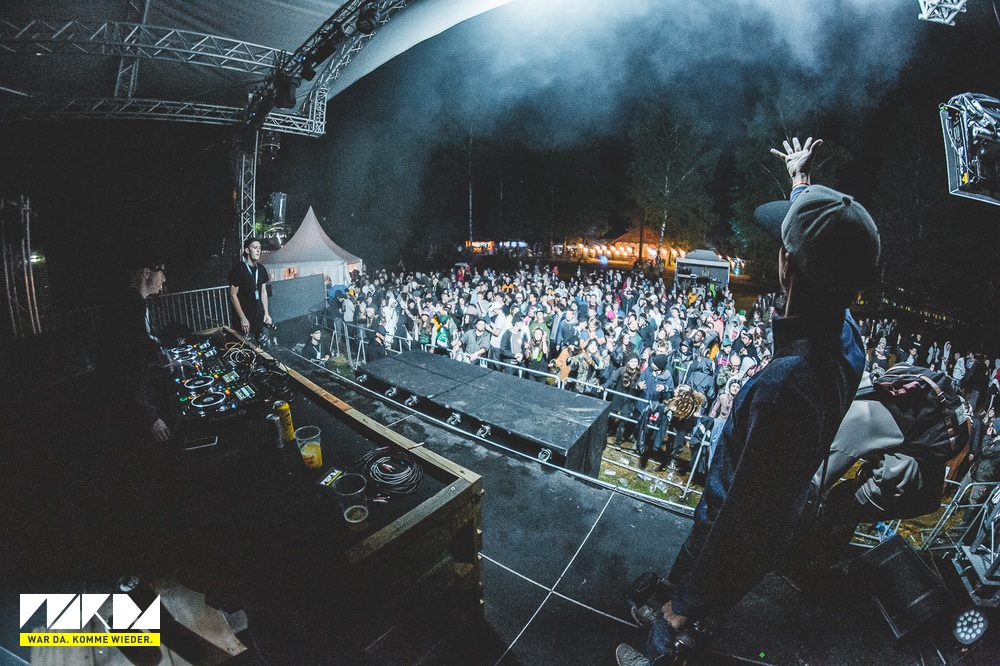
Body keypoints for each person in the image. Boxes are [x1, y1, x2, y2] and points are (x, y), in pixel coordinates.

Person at [617, 136, 879, 666]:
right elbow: (832, 259)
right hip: (769, 527)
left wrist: (683, 605)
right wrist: (802, 186)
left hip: (725, 531)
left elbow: (745, 520)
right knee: (709, 601)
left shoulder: (784, 386)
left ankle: (665, 645)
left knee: (675, 622)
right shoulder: (849, 339)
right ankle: (696, 618)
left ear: (786, 265)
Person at [96, 253, 172, 443]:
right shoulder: (130, 305)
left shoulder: (130, 301)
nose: (164, 279)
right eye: (161, 272)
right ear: (147, 273)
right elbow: (122, 365)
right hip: (129, 407)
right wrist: (150, 416)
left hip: (130, 401)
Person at [228, 237, 272, 343]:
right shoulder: (239, 269)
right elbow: (233, 295)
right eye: (255, 248)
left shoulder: (261, 269)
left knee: (263, 346)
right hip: (245, 319)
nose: (258, 251)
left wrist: (266, 313)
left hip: (259, 317)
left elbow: (263, 292)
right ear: (247, 250)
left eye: (259, 248)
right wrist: (242, 318)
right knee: (247, 347)